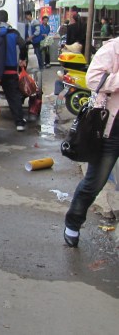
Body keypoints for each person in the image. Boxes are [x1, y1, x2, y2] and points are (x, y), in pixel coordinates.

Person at [63, 36, 119, 247]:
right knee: (95, 182)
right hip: (110, 130)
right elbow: (93, 80)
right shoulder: (112, 50)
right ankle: (73, 222)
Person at [0, 9, 29, 131]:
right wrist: (22, 58)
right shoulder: (13, 32)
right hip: (10, 71)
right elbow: (23, 45)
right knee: (13, 97)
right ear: (6, 19)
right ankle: (19, 122)